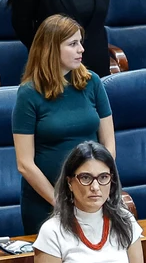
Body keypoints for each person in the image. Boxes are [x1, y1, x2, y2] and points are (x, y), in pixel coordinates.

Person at [13, 15, 116, 232]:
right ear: (51, 48)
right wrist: (61, 203)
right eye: (72, 44)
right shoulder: (29, 94)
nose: (81, 50)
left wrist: (98, 186)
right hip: (47, 203)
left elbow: (108, 145)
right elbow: (25, 163)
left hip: (92, 197)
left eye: (80, 42)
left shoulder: (92, 82)